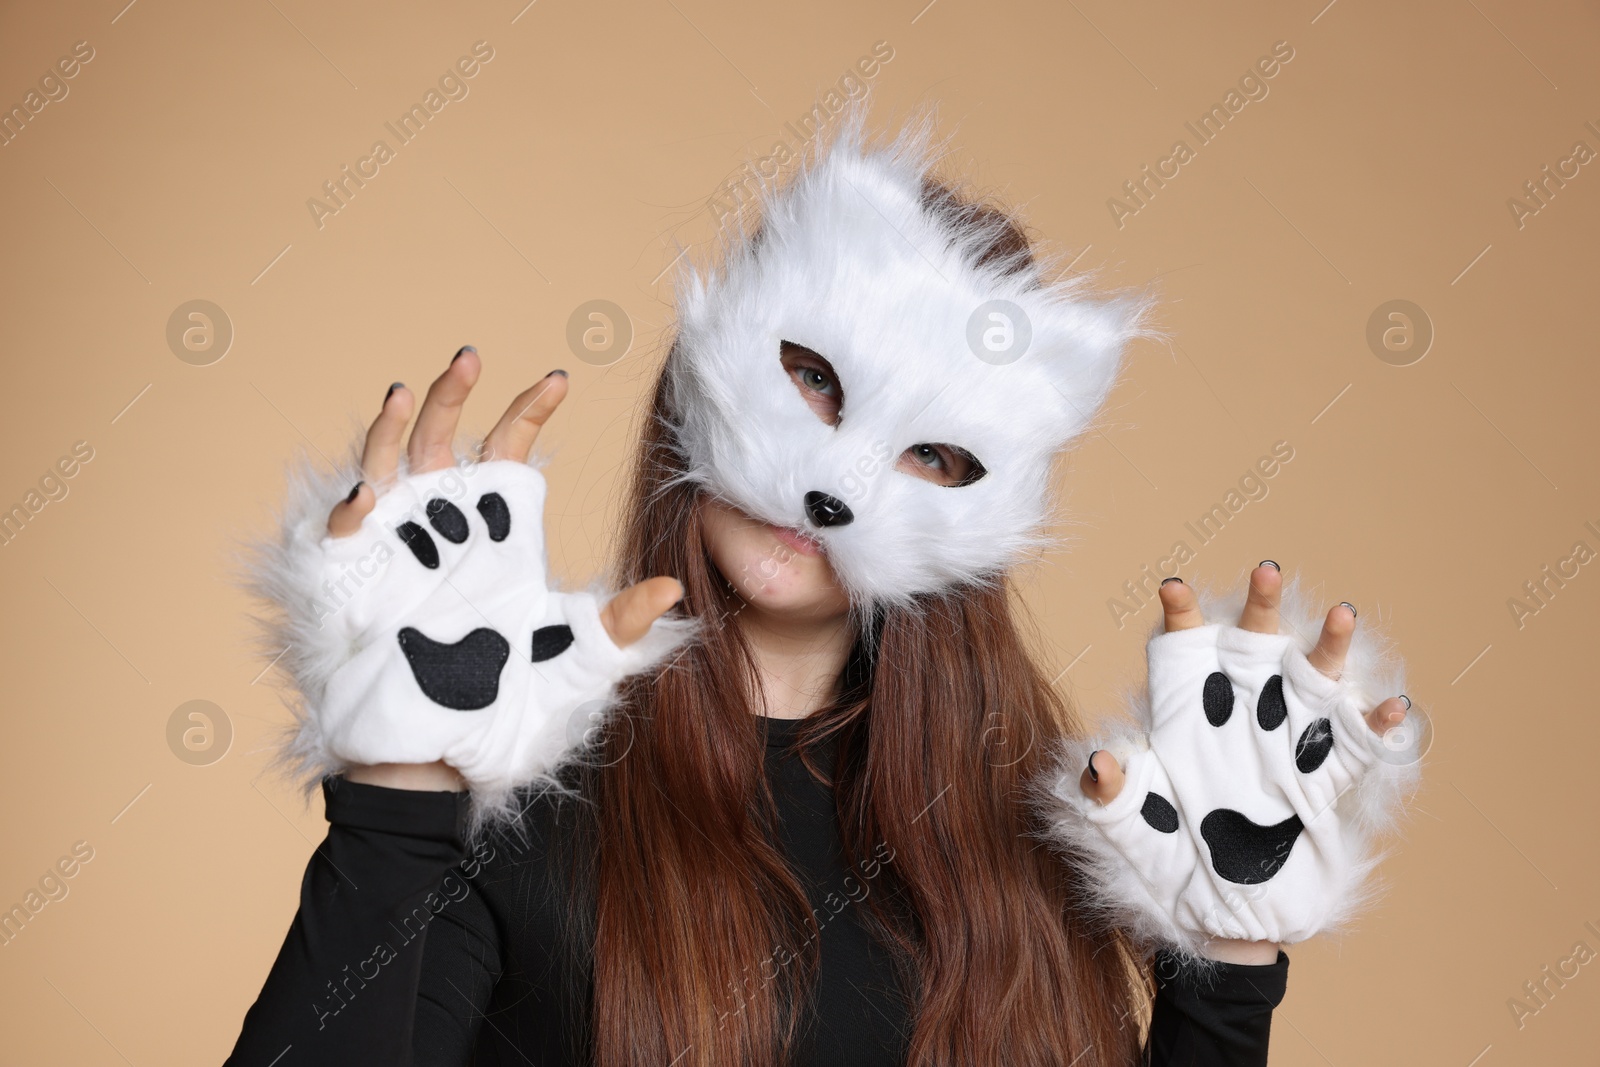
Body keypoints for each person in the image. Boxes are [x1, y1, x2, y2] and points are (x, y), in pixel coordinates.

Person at [225, 108, 1419, 1066]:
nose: (837, 482)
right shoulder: (524, 784)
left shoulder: (1035, 830)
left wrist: (1226, 961)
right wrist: (398, 785)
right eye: (814, 378)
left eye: (933, 452)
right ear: (713, 361)